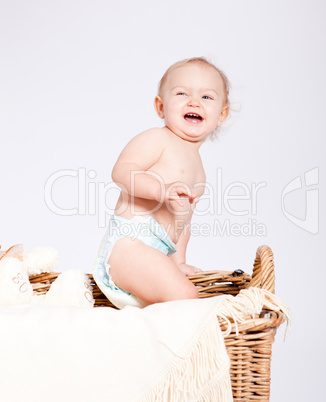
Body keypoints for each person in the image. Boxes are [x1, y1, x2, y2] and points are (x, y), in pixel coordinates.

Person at [93, 57, 230, 309]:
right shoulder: (158, 139)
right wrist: (160, 190)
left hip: (158, 252)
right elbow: (122, 172)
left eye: (207, 97)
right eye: (181, 93)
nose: (194, 102)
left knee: (183, 294)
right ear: (160, 106)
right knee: (186, 297)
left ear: (222, 114)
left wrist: (179, 263)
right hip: (130, 245)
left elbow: (182, 222)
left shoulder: (198, 167)